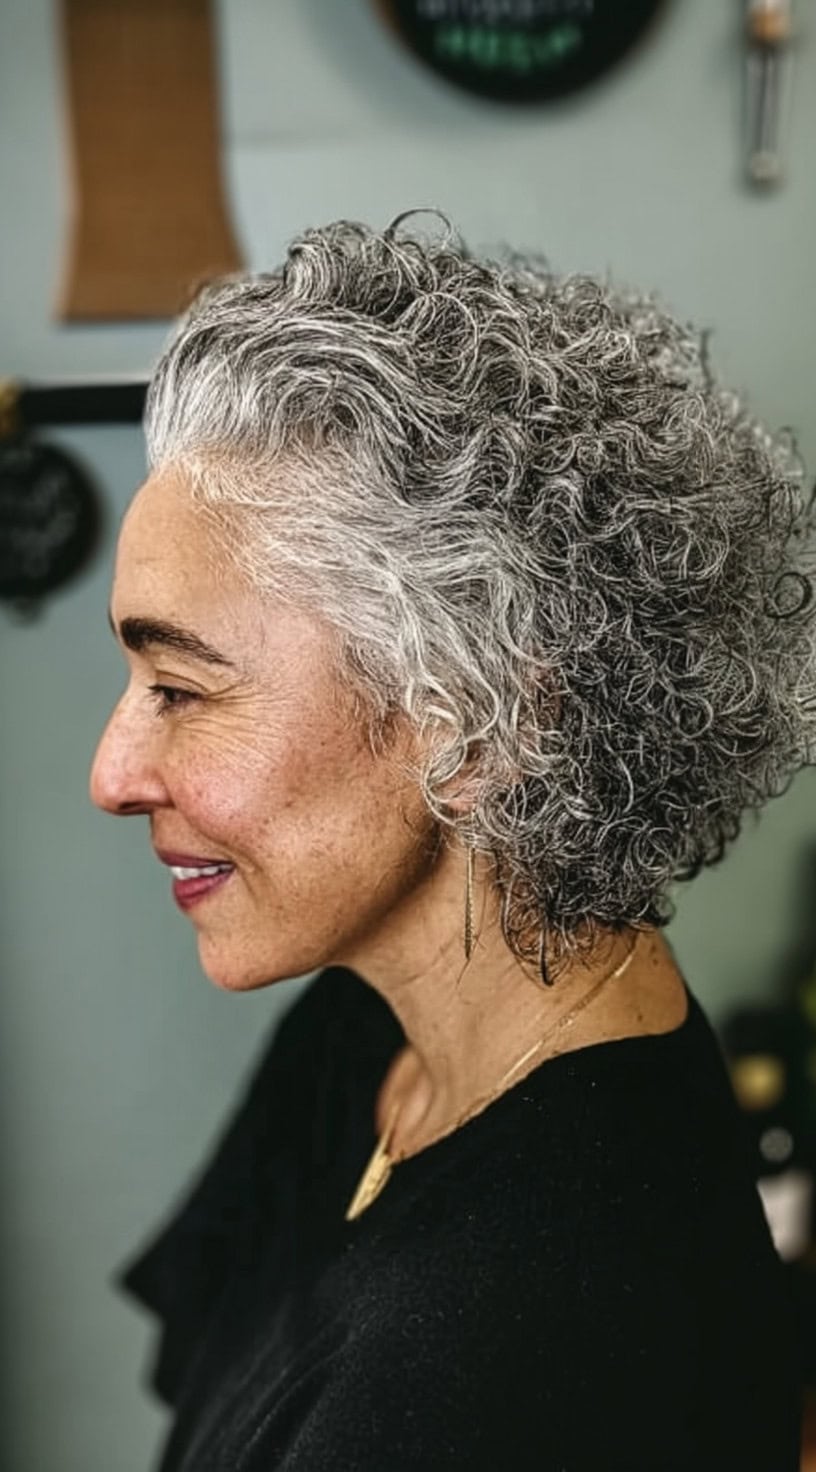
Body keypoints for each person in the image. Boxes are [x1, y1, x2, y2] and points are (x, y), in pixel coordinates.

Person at [90, 214, 815, 1470]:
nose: (112, 772)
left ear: (481, 726)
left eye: (184, 687)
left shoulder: (523, 1359)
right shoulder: (363, 1025)